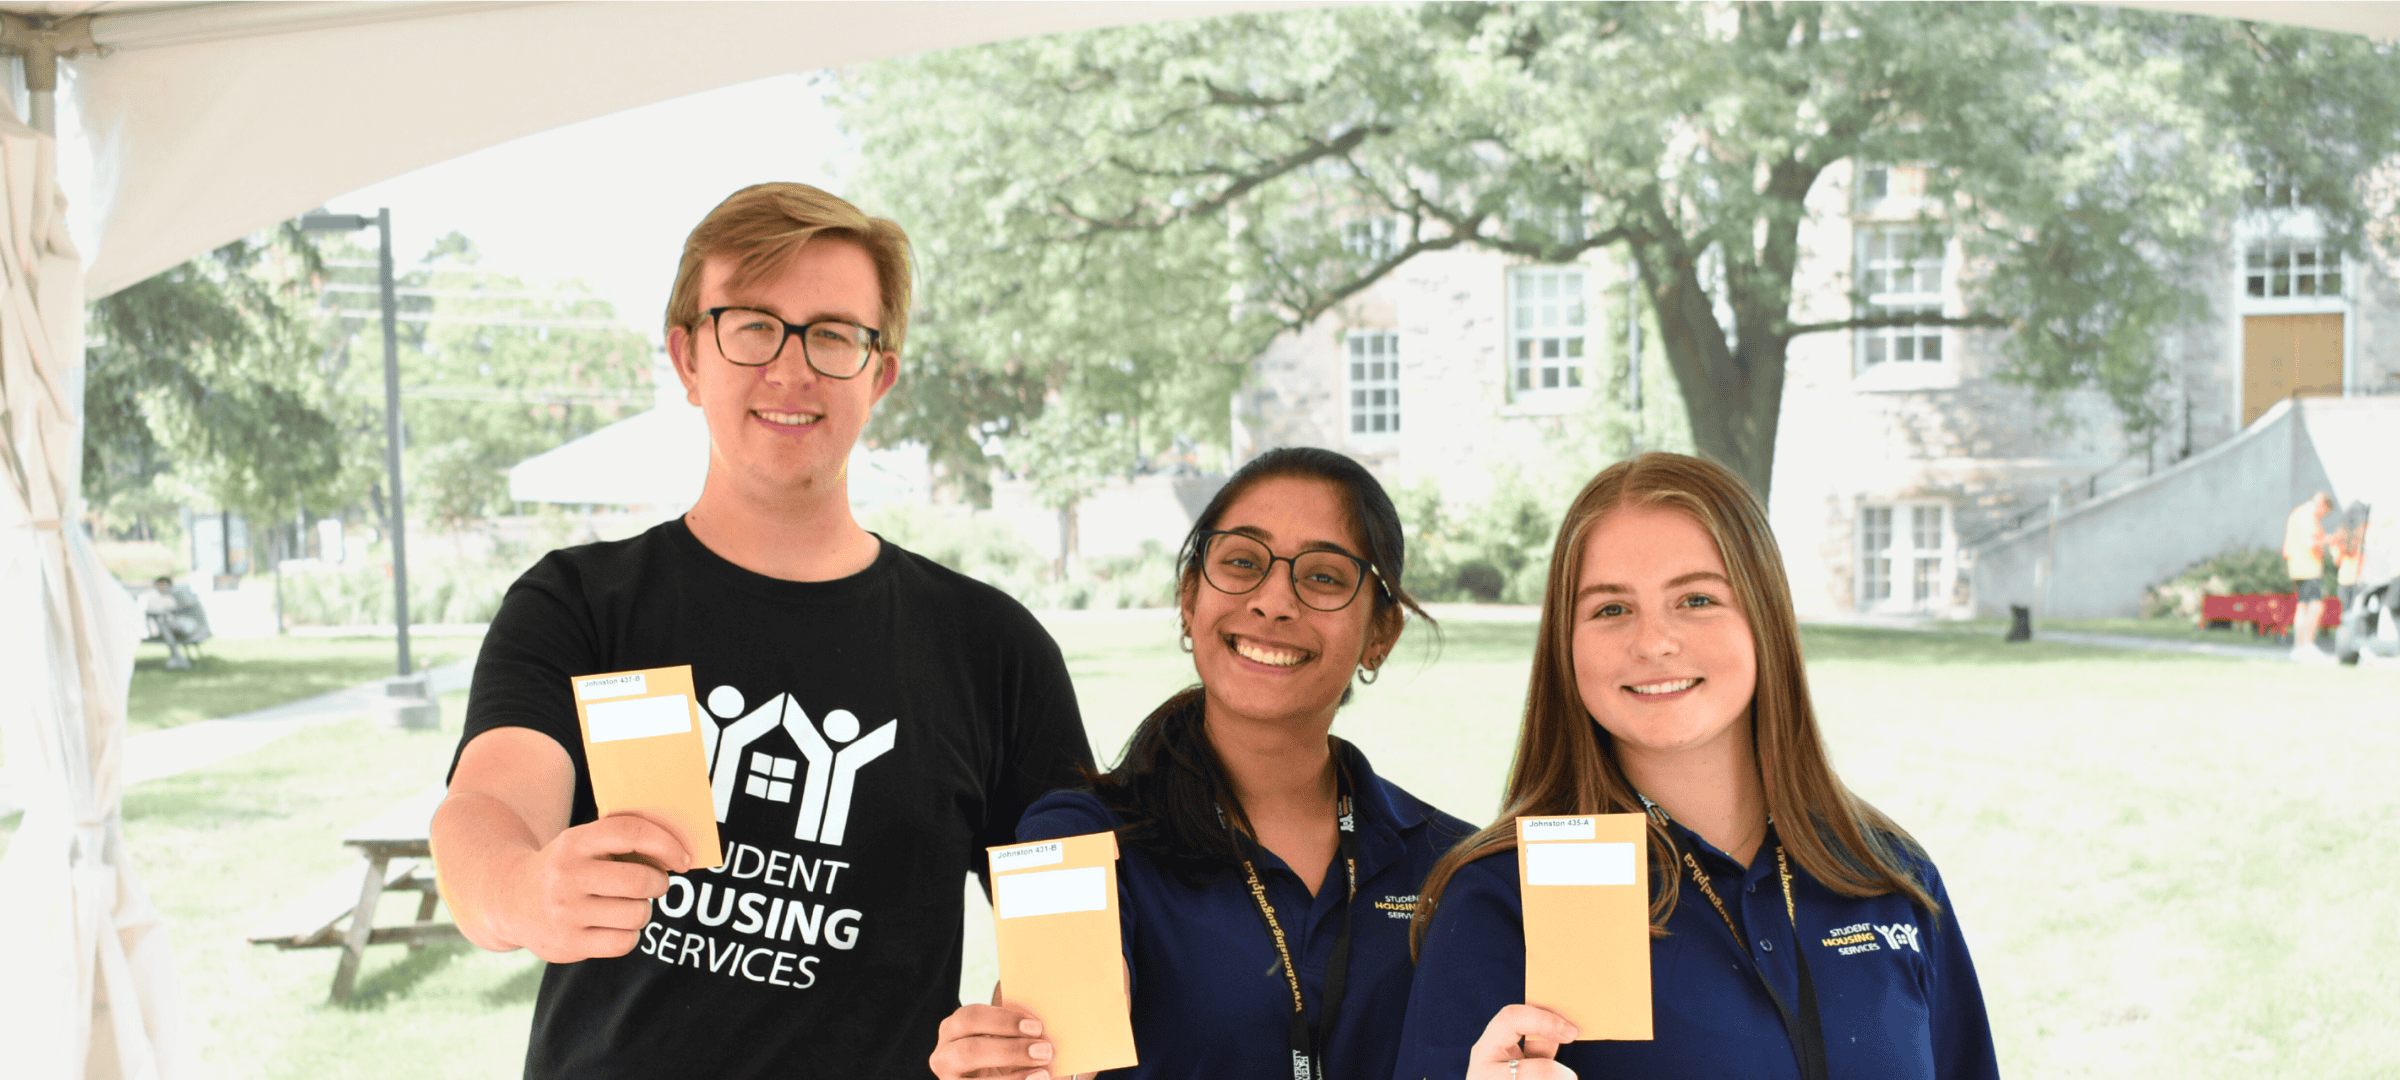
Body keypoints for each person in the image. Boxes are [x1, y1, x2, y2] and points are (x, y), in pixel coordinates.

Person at [430, 183, 1095, 1079]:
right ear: (688, 358)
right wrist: (521, 891)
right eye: (750, 325)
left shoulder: (992, 648)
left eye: (832, 335)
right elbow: (486, 813)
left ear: (880, 374)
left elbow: (1078, 938)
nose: (792, 370)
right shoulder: (580, 603)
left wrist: (1043, 1048)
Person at [1394, 452, 1998, 1080]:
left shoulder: (1886, 876)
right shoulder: (1504, 901)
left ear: (1765, 617)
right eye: (1610, 609)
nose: (1654, 641)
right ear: (1565, 646)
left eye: (1697, 598)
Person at [928, 447, 1473, 1080]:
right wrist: (1018, 1053)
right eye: (1242, 562)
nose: (1274, 602)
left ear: (1380, 635)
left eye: (1323, 576)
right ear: (1190, 599)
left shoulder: (1453, 863)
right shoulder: (1076, 836)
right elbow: (1054, 1022)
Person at [2284, 492, 2334, 658]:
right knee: (2316, 606)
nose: (2322, 515)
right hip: (2307, 566)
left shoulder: (2298, 513)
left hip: (2298, 565)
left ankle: (2298, 647)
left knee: (2303, 606)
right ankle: (2307, 645)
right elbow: (2310, 542)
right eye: (2324, 512)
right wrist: (2330, 540)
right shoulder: (2307, 515)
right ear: (2321, 505)